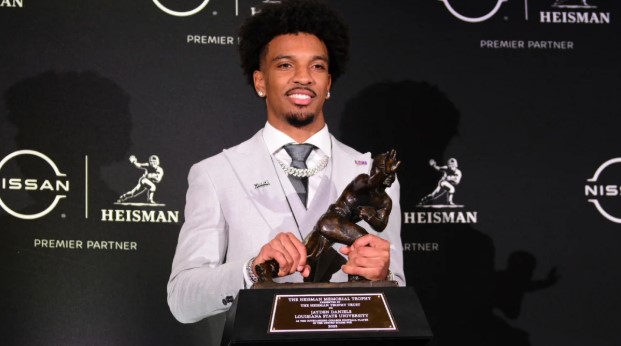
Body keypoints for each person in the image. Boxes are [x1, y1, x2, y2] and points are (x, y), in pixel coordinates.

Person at [167, 0, 404, 324]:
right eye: (285, 65)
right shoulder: (216, 174)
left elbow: (397, 286)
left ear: (329, 83)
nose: (303, 78)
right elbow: (182, 300)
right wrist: (251, 270)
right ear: (260, 81)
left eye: (317, 66)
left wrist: (381, 274)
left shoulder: (371, 173)